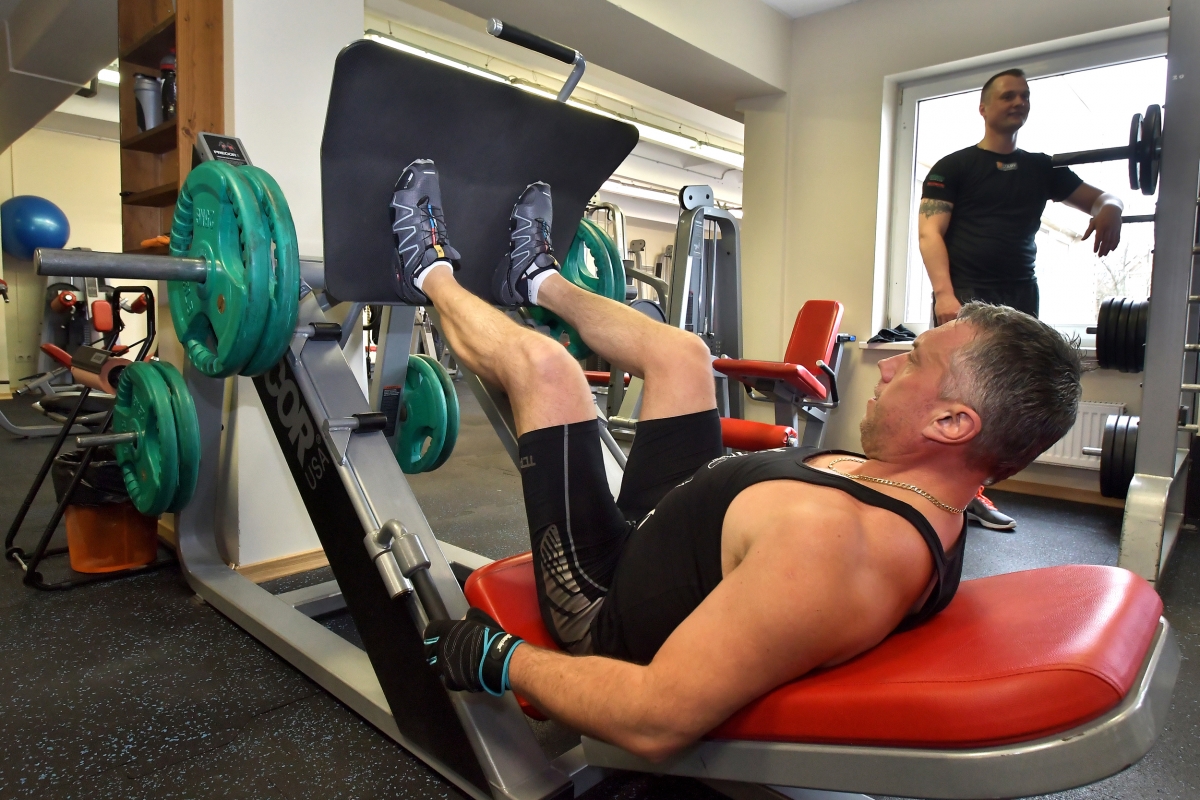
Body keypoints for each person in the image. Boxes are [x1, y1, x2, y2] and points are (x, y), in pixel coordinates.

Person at [392, 159, 1082, 762]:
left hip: (604, 596)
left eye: (917, 361)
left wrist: (501, 658)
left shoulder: (835, 551)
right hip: (683, 526)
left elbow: (654, 717)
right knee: (683, 354)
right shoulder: (920, 486)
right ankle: (537, 279)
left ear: (951, 422)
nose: (890, 363)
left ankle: (427, 271)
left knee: (547, 369)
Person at [917, 67, 1122, 532]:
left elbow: (1104, 197)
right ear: (984, 108)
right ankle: (933, 489)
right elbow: (930, 232)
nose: (1018, 102)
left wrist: (1112, 208)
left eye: (1024, 97)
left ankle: (972, 493)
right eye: (1008, 96)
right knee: (951, 395)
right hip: (965, 295)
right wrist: (945, 295)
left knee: (1001, 400)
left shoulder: (1041, 169)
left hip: (1020, 297)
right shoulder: (954, 167)